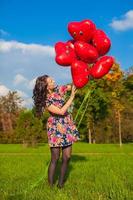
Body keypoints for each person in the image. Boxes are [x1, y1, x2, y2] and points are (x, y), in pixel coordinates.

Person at [32, 75, 80, 188]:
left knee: (67, 157)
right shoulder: (46, 100)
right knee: (55, 157)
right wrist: (72, 96)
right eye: (51, 81)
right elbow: (61, 111)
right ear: (46, 86)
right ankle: (50, 186)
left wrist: (84, 77)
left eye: (53, 79)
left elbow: (73, 85)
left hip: (66, 125)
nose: (54, 81)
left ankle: (61, 184)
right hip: (55, 127)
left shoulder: (59, 89)